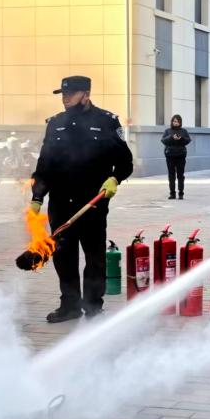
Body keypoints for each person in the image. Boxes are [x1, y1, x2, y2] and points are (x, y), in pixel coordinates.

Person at [30, 76, 134, 323]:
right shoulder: (55, 124)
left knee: (94, 257)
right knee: (63, 256)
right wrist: (37, 197)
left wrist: (114, 179)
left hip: (92, 203)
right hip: (60, 202)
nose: (65, 99)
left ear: (86, 94)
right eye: (63, 95)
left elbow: (125, 162)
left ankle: (93, 306)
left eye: (71, 94)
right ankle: (70, 306)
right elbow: (44, 165)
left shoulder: (106, 121)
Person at [161, 114, 191, 200]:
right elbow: (163, 140)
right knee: (171, 175)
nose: (176, 123)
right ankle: (172, 193)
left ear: (180, 122)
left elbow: (188, 140)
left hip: (181, 156)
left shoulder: (183, 131)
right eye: (174, 121)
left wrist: (180, 138)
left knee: (180, 175)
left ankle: (181, 193)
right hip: (170, 156)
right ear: (172, 122)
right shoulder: (167, 131)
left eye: (177, 121)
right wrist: (171, 137)